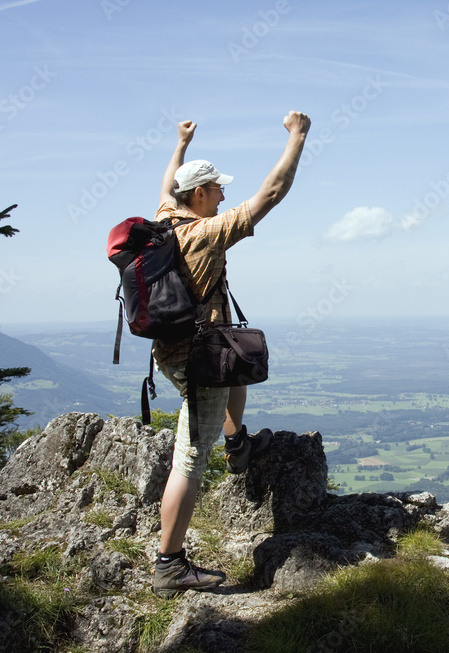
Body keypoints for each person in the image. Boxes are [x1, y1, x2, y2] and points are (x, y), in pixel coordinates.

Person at [151, 111, 311, 598]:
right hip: (195, 362)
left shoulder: (165, 220)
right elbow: (272, 193)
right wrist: (298, 137)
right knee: (190, 460)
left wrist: (179, 144)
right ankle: (169, 565)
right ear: (198, 194)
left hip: (178, 351)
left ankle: (238, 443)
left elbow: (165, 186)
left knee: (235, 362)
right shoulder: (204, 233)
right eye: (216, 188)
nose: (221, 194)